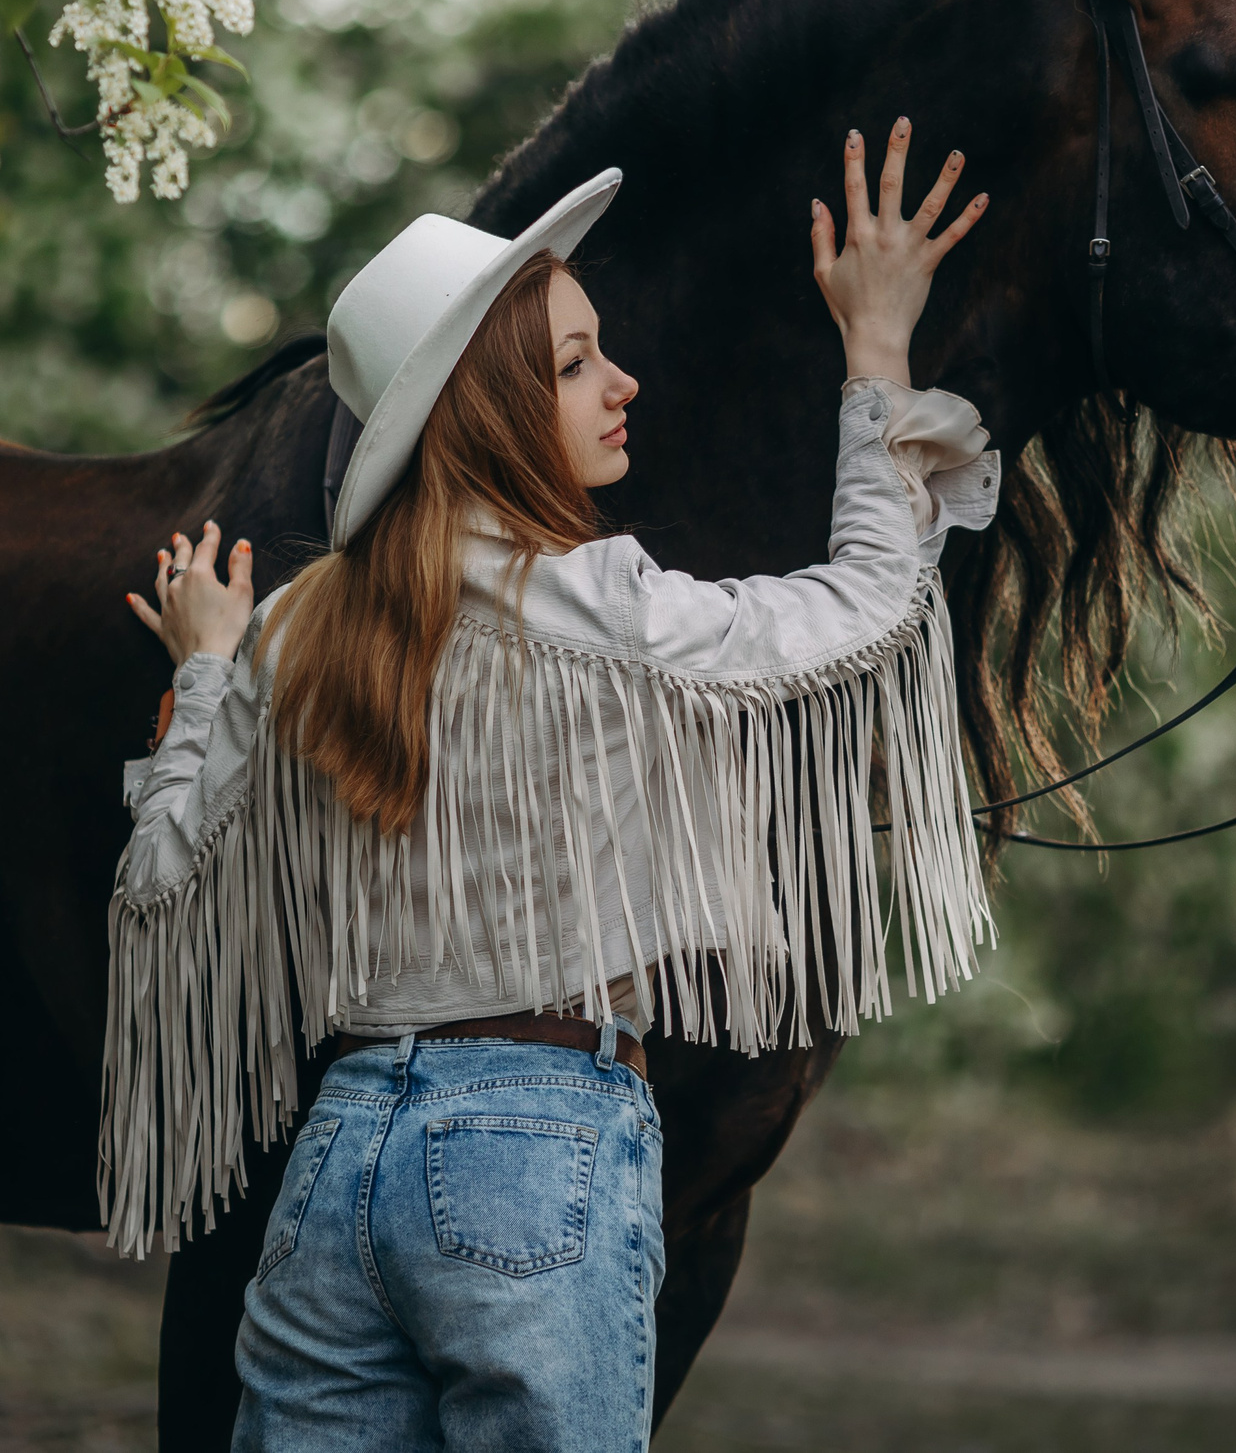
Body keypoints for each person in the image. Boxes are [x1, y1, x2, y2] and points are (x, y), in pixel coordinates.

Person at [106, 121, 999, 1450]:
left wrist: (216, 671)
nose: (621, 382)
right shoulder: (598, 601)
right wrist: (875, 346)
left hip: (341, 1154)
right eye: (577, 363)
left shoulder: (296, 629)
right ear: (493, 406)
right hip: (533, 1148)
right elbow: (867, 613)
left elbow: (163, 875)